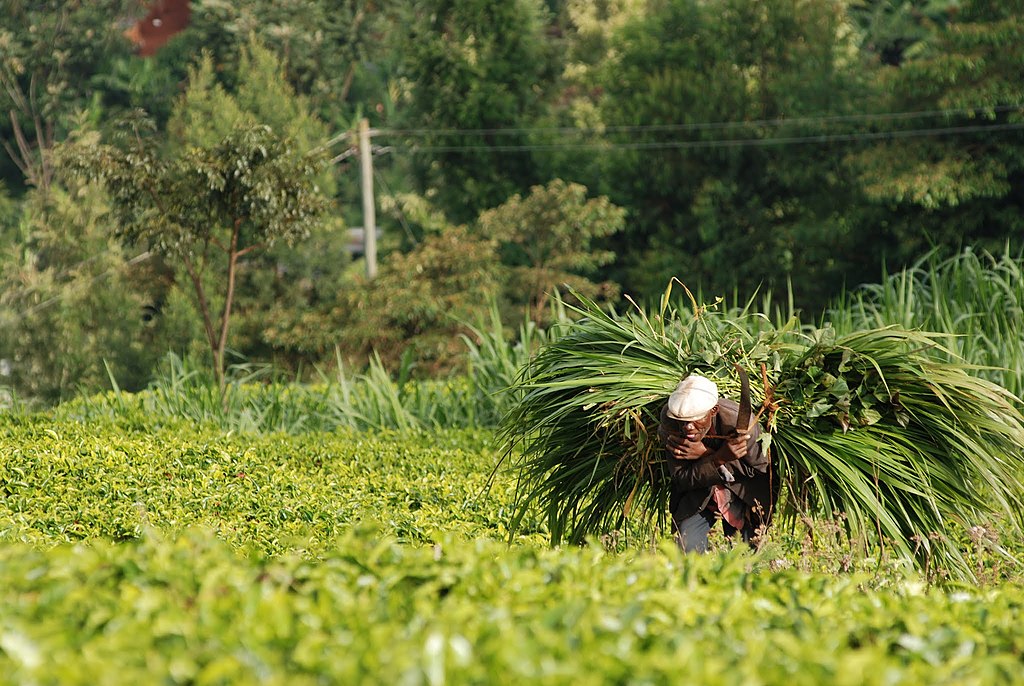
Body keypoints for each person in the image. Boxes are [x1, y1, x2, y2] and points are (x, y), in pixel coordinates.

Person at [658, 373, 776, 552]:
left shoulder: (741, 423)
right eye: (684, 421)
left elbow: (759, 470)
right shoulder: (671, 424)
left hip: (743, 495)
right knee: (688, 548)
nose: (688, 427)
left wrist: (708, 454)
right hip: (699, 496)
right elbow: (682, 479)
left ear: (713, 411)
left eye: (696, 419)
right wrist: (717, 459)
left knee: (747, 557)